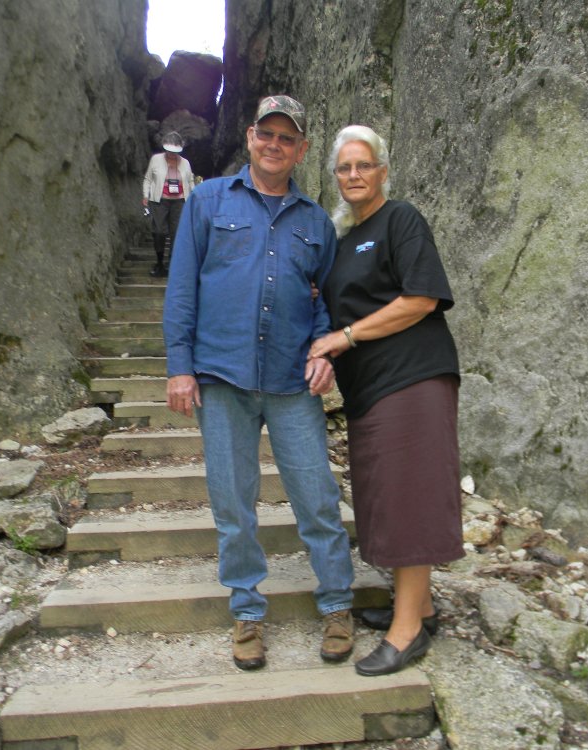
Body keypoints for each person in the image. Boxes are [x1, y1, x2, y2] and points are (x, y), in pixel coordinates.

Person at [163, 95, 356, 671]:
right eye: (266, 134)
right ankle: (247, 612)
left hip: (292, 380)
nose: (275, 144)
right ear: (250, 137)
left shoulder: (316, 222)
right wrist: (179, 365)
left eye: (287, 138)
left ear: (301, 149)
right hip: (221, 376)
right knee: (233, 500)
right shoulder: (206, 201)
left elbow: (327, 302)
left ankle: (337, 604)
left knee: (317, 497)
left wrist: (326, 352)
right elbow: (183, 286)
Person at [308, 124, 464, 677]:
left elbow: (421, 298)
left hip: (414, 377)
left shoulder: (401, 220)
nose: (353, 175)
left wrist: (344, 339)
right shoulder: (343, 238)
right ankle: (417, 605)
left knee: (409, 496)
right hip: (370, 387)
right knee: (387, 495)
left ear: (382, 170)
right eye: (344, 168)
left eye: (363, 165)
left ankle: (408, 632)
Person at [142, 131, 194, 277]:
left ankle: (172, 264)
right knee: (159, 231)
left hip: (179, 202)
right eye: (169, 151)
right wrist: (146, 195)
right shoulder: (156, 160)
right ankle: (159, 263)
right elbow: (148, 179)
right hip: (159, 201)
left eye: (174, 152)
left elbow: (190, 181)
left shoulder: (185, 163)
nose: (171, 154)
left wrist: (191, 199)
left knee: (176, 233)